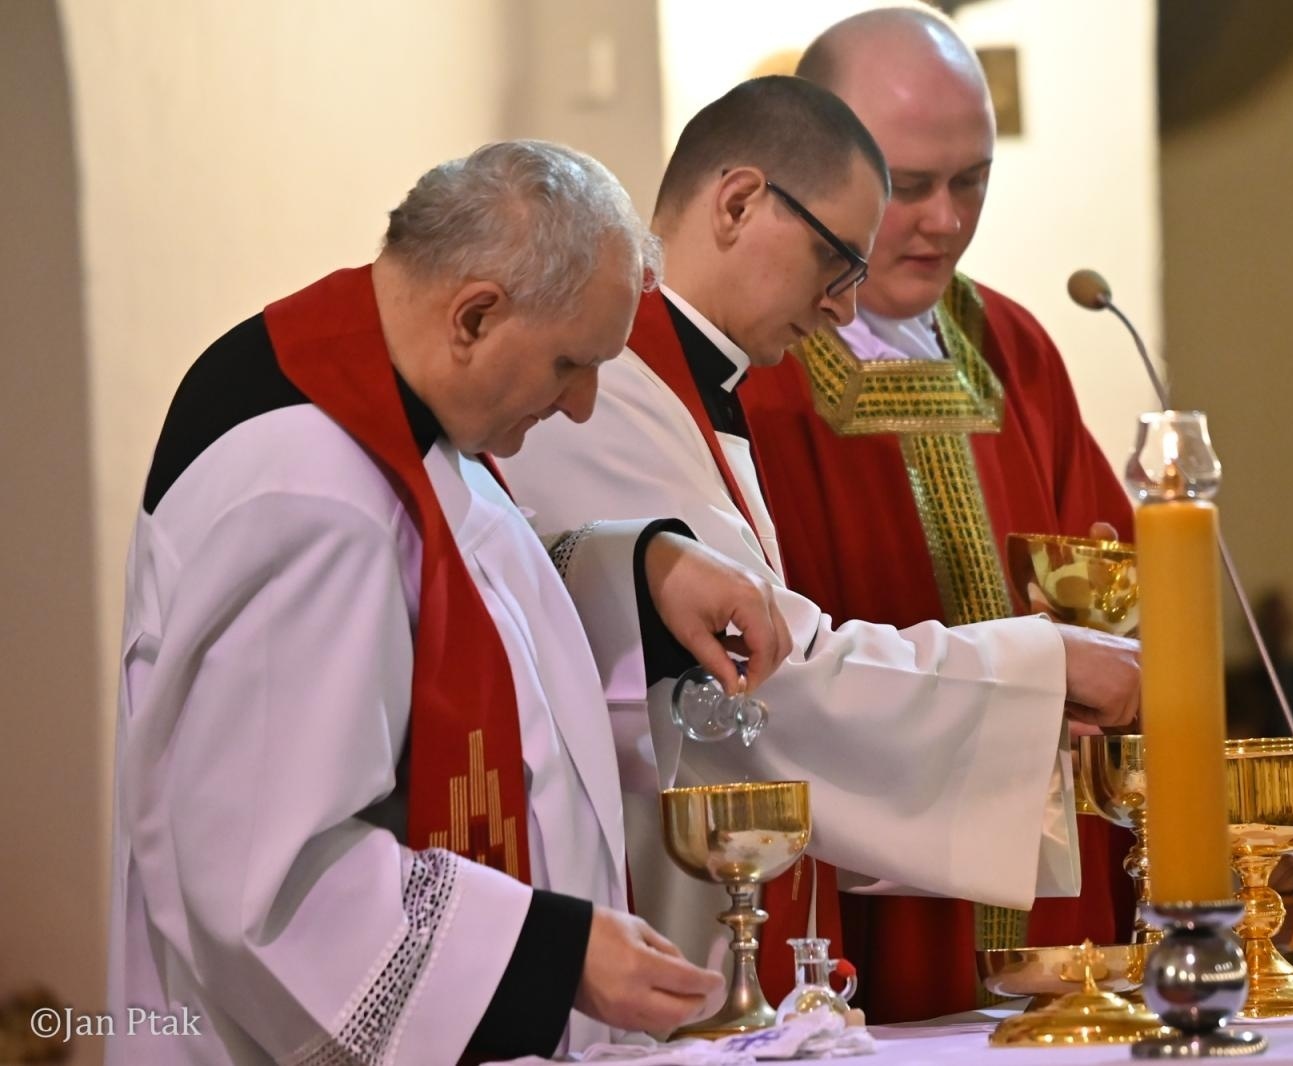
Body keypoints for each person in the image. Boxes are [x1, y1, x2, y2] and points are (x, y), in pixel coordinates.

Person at [107, 140, 794, 1065]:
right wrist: (550, 954)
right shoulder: (306, 488)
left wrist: (640, 572)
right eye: (568, 364)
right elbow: (265, 886)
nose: (582, 405)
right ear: (474, 315)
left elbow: (450, 620)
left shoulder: (388, 399)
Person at [500, 76, 1139, 1017]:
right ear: (739, 202)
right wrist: (1045, 666)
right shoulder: (609, 393)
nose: (844, 310)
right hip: (645, 919)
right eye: (840, 263)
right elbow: (773, 679)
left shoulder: (687, 384)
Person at [733, 8, 1141, 1020]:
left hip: (1054, 884)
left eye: (973, 182)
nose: (946, 220)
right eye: (910, 186)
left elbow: (1115, 580)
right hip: (864, 867)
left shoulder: (1011, 344)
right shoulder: (756, 370)